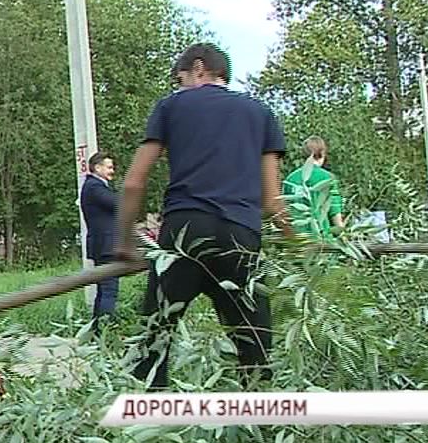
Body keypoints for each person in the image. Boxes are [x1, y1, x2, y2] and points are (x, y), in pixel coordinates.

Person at [113, 43, 294, 391]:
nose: (178, 86)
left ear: (198, 69)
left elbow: (135, 183)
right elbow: (272, 201)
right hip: (241, 239)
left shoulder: (171, 106)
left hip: (185, 235)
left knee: (155, 346)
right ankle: (262, 434)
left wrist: (122, 242)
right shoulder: (261, 113)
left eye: (179, 78)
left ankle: (153, 433)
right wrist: (298, 244)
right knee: (255, 353)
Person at [80, 152, 119, 333]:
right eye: (109, 167)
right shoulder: (95, 187)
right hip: (106, 245)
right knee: (109, 290)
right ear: (97, 168)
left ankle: (97, 332)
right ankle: (105, 332)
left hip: (103, 244)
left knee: (104, 290)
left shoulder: (93, 186)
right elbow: (118, 204)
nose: (113, 171)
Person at [282, 136, 345, 240]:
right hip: (321, 239)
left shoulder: (290, 178)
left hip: (297, 240)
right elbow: (334, 210)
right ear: (323, 153)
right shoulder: (327, 178)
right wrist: (343, 237)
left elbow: (284, 210)